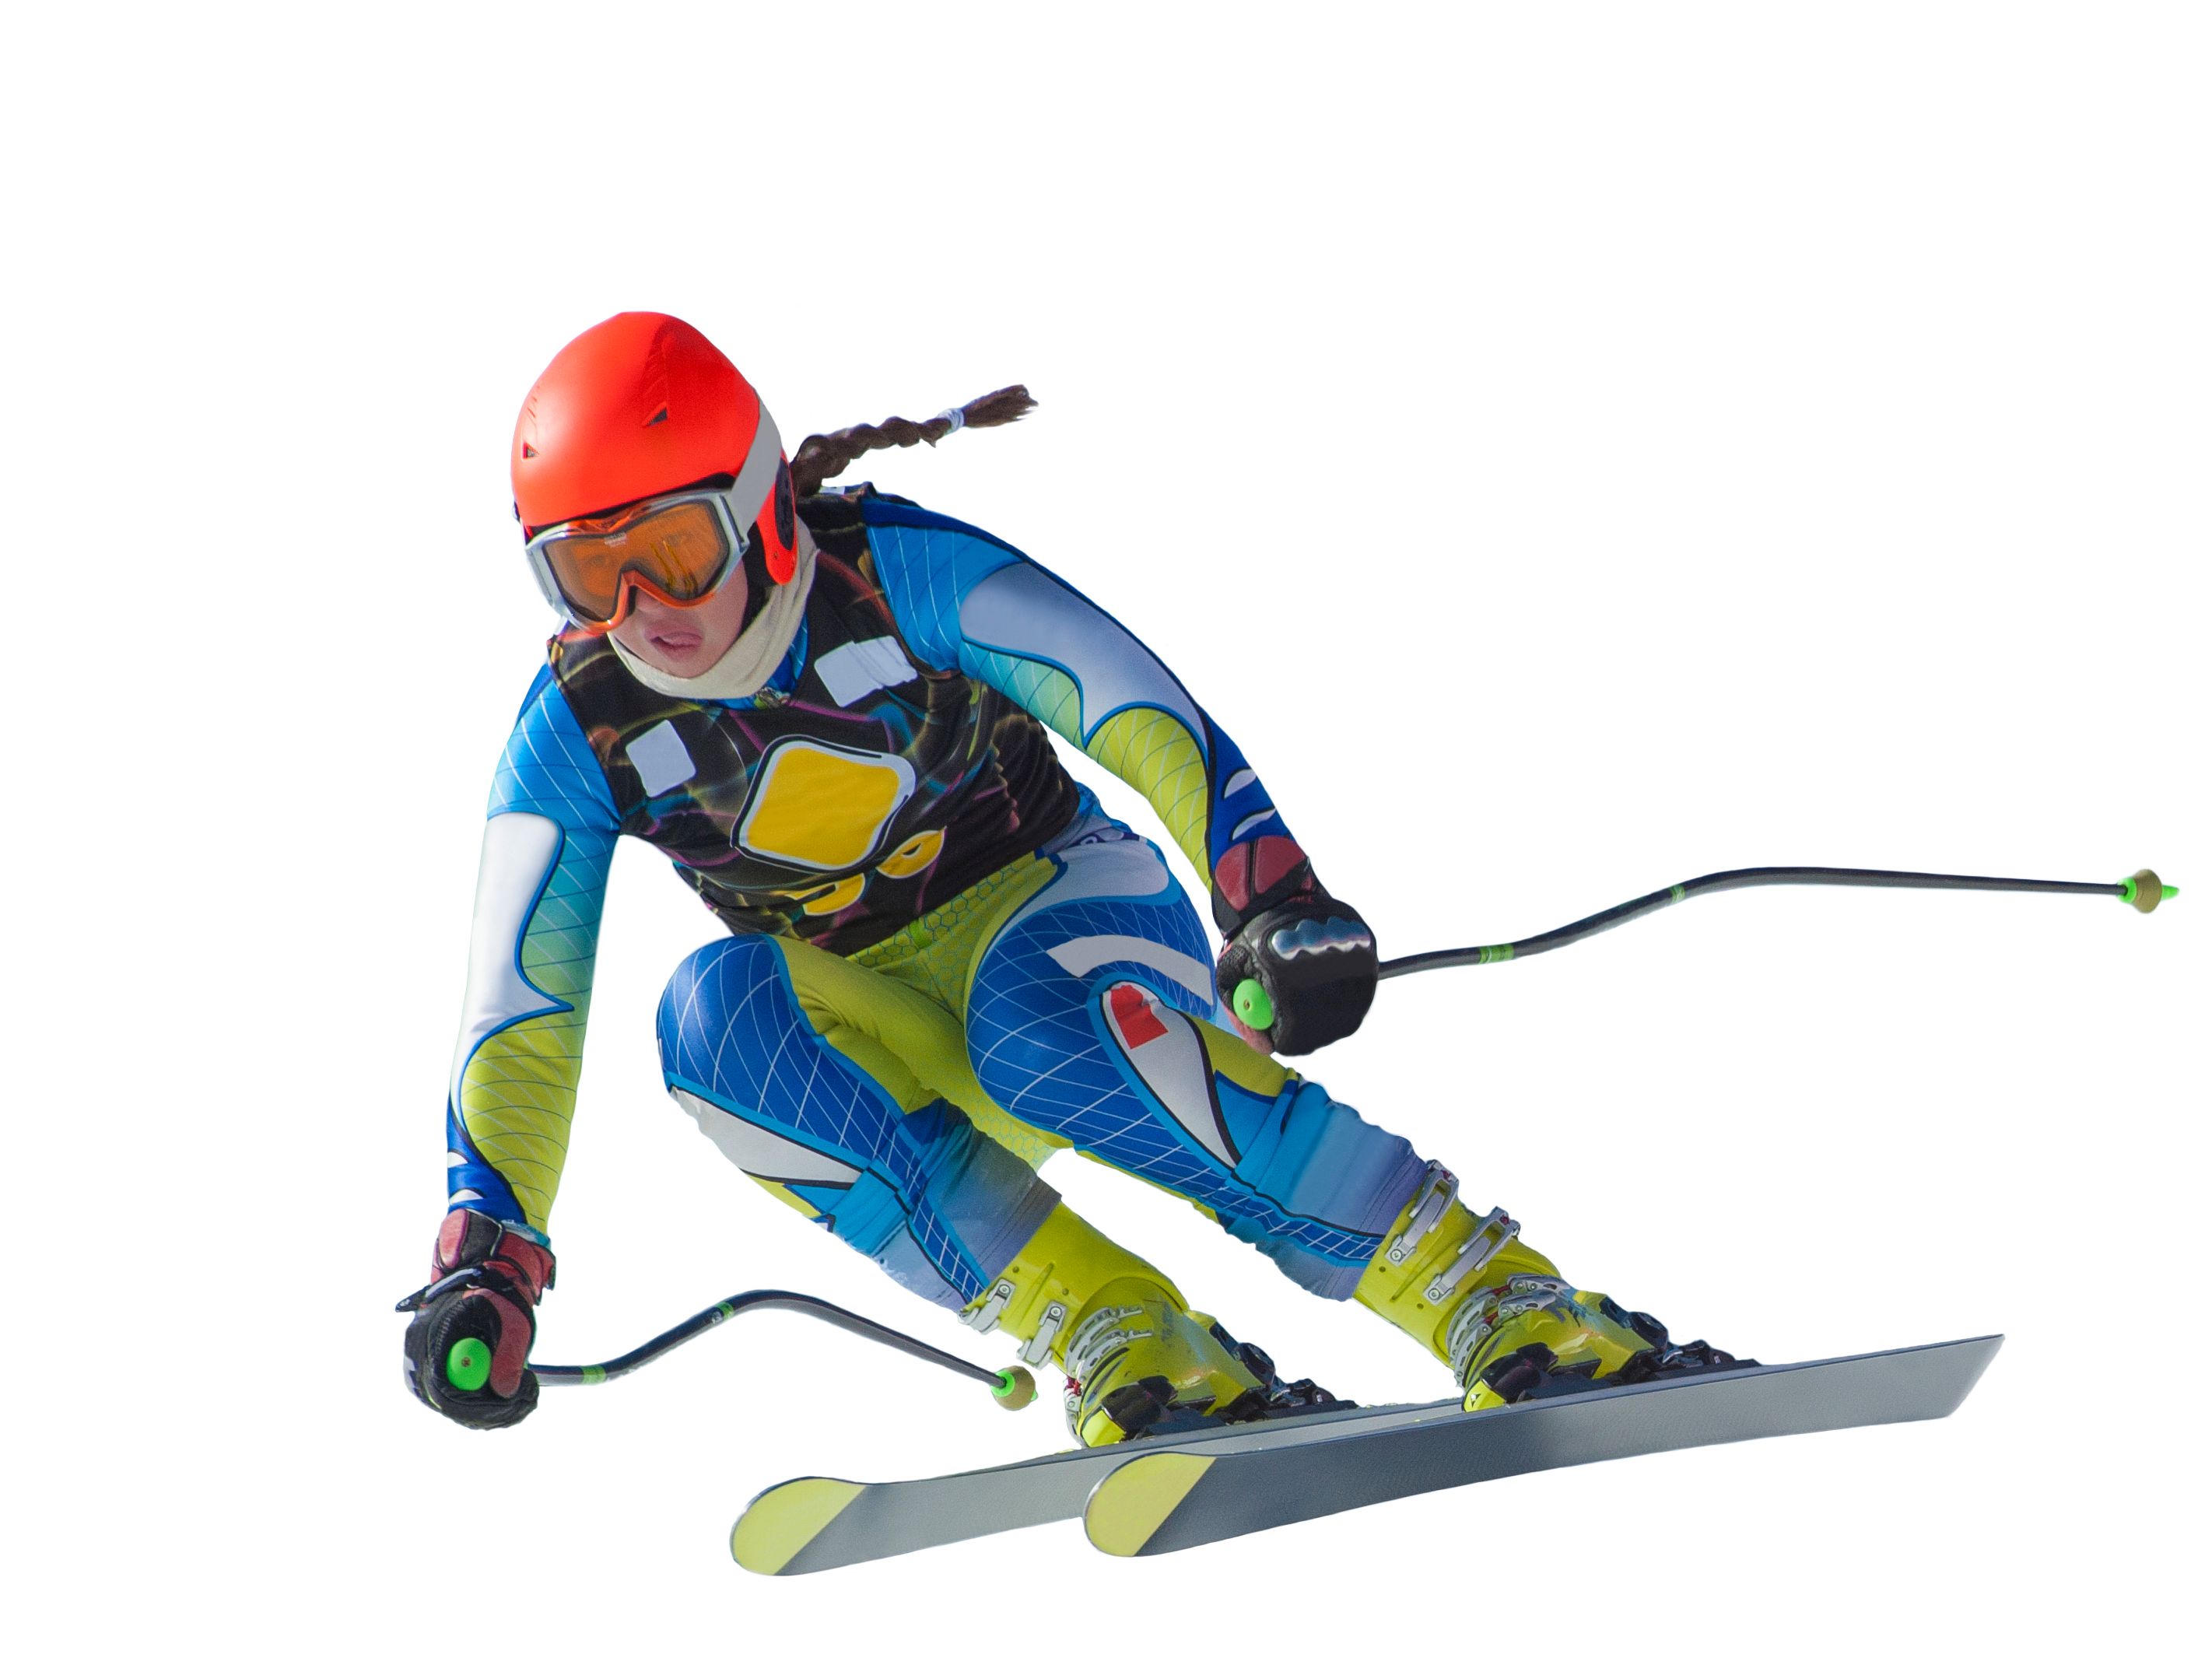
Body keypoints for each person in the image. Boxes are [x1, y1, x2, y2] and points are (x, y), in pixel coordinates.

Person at [403, 312, 1741, 1441]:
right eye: (587, 573)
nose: (647, 614)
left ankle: (1483, 1291)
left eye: (676, 551)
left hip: (1064, 924)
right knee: (707, 1026)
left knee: (1038, 1024)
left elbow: (1128, 702)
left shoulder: (886, 570)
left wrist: (1264, 890)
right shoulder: (576, 728)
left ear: (758, 515)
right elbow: (522, 1009)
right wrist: (489, 1252)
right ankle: (1123, 1328)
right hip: (881, 1027)